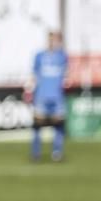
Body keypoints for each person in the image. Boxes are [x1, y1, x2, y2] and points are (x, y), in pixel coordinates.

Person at [26, 30, 68, 162]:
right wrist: (29, 91)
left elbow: (66, 75)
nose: (52, 42)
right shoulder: (39, 56)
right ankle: (35, 153)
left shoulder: (62, 56)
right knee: (37, 126)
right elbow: (34, 75)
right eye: (50, 39)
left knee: (59, 126)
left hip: (57, 98)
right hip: (41, 97)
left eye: (55, 40)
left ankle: (57, 152)